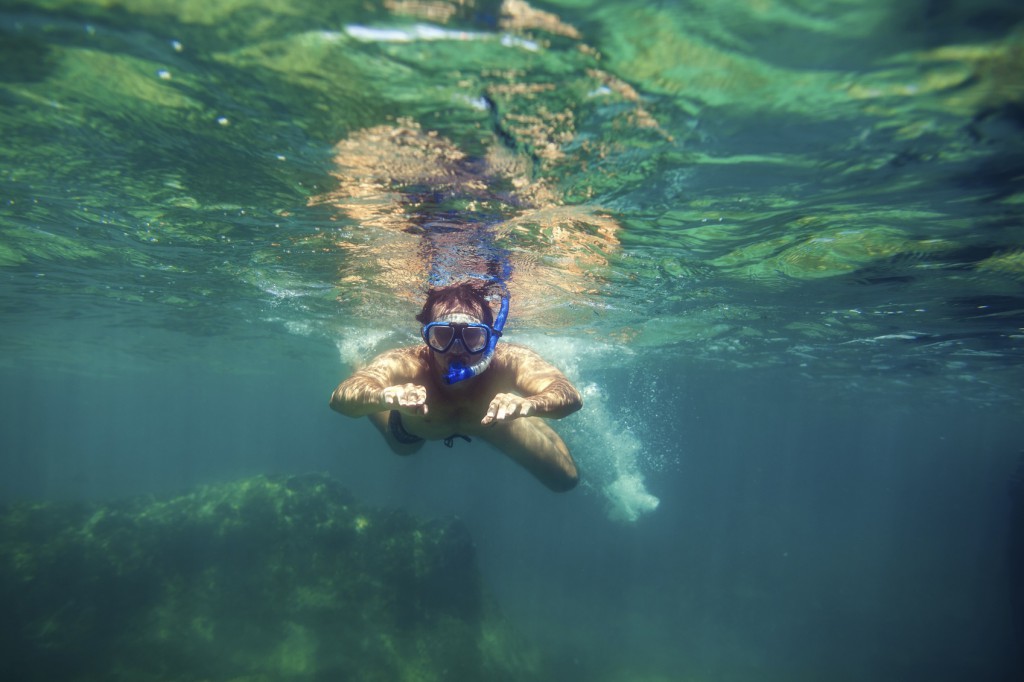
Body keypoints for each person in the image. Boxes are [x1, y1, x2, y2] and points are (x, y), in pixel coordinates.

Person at [330, 280, 582, 491]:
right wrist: (384, 397)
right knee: (403, 450)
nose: (457, 349)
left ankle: (531, 419)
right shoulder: (409, 363)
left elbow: (569, 395)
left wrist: (529, 405)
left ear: (489, 338)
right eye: (443, 335)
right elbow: (340, 399)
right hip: (410, 428)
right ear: (426, 337)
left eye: (472, 336)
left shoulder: (508, 360)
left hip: (493, 425)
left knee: (566, 480)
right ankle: (357, 364)